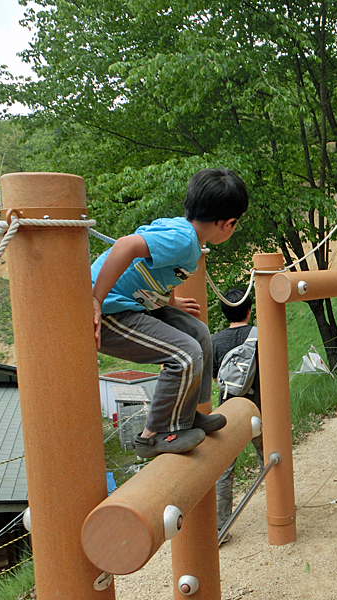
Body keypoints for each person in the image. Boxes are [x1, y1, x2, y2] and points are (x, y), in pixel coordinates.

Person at [92, 168, 249, 459]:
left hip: (130, 303)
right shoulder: (182, 240)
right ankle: (154, 435)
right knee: (184, 353)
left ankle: (186, 415)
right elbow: (126, 246)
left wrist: (171, 301)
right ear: (228, 224)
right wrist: (96, 299)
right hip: (109, 311)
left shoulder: (187, 236)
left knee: (198, 332)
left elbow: (162, 271)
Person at [212, 287, 265, 542]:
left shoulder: (214, 341)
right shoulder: (261, 335)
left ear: (224, 313)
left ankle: (220, 529)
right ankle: (280, 511)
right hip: (259, 409)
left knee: (223, 470)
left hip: (227, 413)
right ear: (249, 309)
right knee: (270, 459)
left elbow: (216, 378)